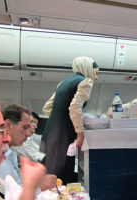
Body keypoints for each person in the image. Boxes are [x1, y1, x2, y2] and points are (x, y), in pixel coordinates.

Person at [41, 56, 99, 184]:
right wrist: (80, 132)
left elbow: (47, 108)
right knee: (62, 178)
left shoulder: (63, 83)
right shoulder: (86, 81)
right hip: (64, 137)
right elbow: (74, 108)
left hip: (50, 133)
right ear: (88, 69)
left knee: (50, 175)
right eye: (96, 72)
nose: (96, 77)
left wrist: (60, 118)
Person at [0, 104, 56, 192]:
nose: (28, 134)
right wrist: (37, 186)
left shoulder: (11, 152)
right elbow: (12, 195)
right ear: (8, 125)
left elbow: (17, 184)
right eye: (24, 128)